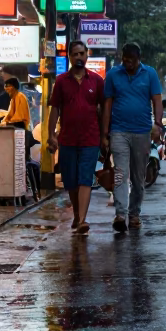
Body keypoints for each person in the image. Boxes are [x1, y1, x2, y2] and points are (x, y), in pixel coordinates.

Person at [103, 42, 164, 233]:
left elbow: (157, 100)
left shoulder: (150, 74)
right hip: (119, 131)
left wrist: (158, 125)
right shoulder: (113, 74)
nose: (127, 64)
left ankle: (134, 214)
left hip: (142, 132)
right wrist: (104, 133)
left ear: (139, 59)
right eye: (125, 60)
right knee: (120, 173)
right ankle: (120, 214)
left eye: (131, 60)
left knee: (138, 178)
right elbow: (107, 105)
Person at [47, 41, 107, 234]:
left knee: (85, 179)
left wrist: (105, 135)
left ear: (87, 56)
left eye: (82, 54)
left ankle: (82, 220)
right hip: (67, 139)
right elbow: (55, 109)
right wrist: (50, 135)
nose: (79, 57)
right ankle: (77, 214)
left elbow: (105, 109)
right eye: (75, 54)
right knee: (71, 181)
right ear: (70, 57)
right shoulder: (61, 81)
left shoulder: (97, 81)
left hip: (90, 139)